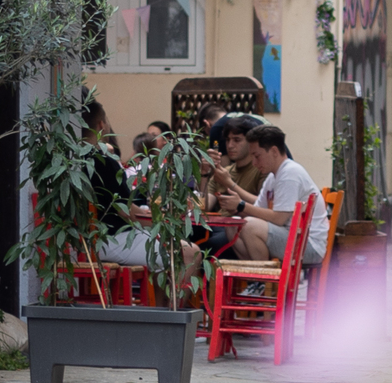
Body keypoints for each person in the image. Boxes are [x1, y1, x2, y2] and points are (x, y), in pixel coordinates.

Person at [85, 100, 200, 276]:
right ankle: (173, 305)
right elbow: (127, 212)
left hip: (82, 241)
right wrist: (160, 221)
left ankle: (162, 304)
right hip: (112, 238)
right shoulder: (104, 162)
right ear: (101, 125)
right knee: (191, 253)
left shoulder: (73, 159)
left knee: (161, 248)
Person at [220, 123, 329, 265]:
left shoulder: (290, 173)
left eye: (257, 156)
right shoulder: (273, 176)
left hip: (309, 246)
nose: (253, 162)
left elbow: (279, 219)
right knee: (233, 225)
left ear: (274, 151)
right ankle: (255, 276)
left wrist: (241, 205)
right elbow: (257, 211)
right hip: (293, 237)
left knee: (250, 226)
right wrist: (234, 208)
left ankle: (265, 281)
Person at [208, 113, 266, 197]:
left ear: (251, 142)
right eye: (228, 140)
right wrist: (204, 174)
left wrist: (229, 183)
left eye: (237, 140)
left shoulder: (262, 170)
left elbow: (264, 206)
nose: (230, 145)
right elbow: (204, 206)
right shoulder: (224, 172)